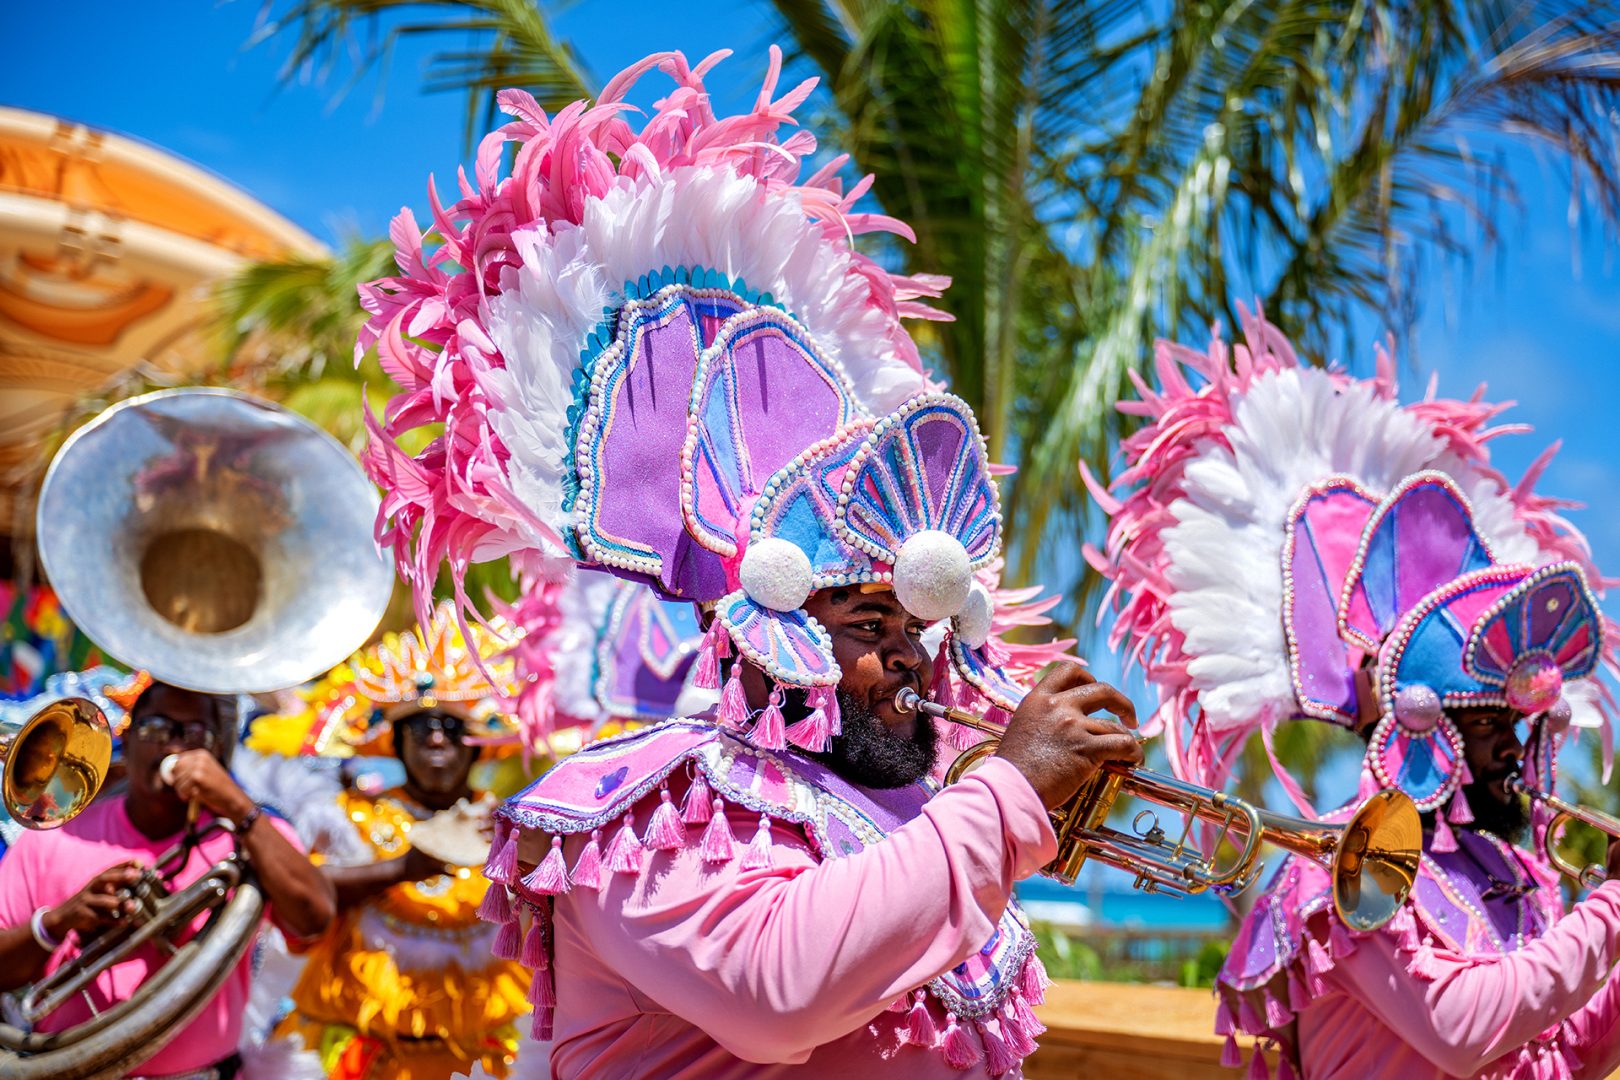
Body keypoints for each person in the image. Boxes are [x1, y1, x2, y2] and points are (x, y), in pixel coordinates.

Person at [355, 47, 1142, 1077]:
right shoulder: (643, 812)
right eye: (870, 626)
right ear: (764, 639)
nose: (912, 658)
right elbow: (780, 995)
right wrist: (1011, 792)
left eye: (916, 631)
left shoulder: (910, 816)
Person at [1086, 308, 1620, 1077]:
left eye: (1523, 724)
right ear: (1429, 728)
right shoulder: (1339, 860)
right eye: (1491, 721)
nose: (1514, 743)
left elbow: (1568, 1053)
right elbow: (1460, 1031)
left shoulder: (1518, 873)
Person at [0, 679, 333, 1080]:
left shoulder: (251, 835)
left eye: (194, 734)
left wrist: (236, 803)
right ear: (129, 734)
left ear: (217, 750)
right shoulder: (54, 838)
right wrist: (61, 921)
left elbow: (315, 919)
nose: (173, 746)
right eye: (156, 728)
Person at [258, 603, 534, 1080]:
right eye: (421, 728)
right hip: (361, 1059)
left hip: (484, 1060)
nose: (435, 741)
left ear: (475, 741)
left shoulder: (511, 823)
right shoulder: (352, 816)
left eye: (450, 728)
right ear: (396, 742)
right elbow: (304, 895)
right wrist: (401, 870)